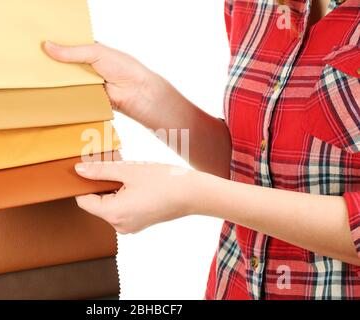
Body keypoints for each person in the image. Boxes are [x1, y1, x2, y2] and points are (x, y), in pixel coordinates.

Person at [44, 0, 360, 299]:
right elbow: (250, 166)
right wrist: (144, 94)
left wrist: (194, 195)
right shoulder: (253, 5)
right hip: (231, 286)